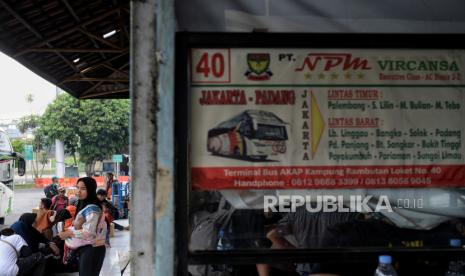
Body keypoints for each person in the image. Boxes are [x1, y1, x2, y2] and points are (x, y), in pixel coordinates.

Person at [59, 177, 107, 276]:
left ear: (91, 189)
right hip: (88, 248)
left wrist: (68, 233)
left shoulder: (92, 208)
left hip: (92, 249)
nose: (79, 192)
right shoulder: (84, 204)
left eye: (83, 189)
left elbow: (89, 232)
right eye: (78, 188)